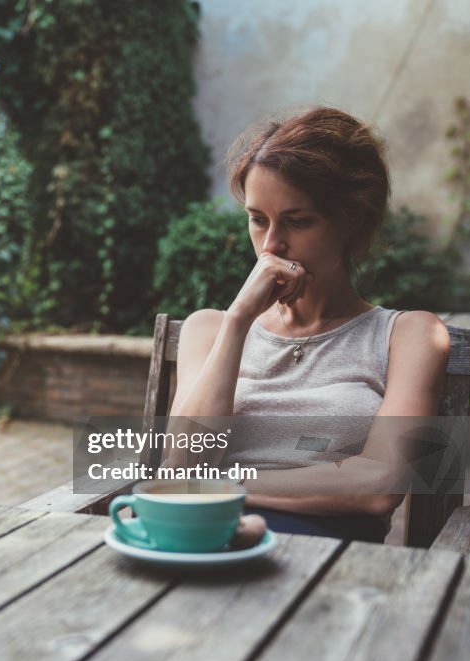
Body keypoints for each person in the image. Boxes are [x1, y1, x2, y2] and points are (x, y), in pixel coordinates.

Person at [168, 106, 450, 543]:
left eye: (298, 221)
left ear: (351, 221)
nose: (272, 245)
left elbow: (379, 487)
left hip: (325, 565)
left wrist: (223, 487)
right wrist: (239, 321)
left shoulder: (409, 336)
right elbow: (181, 468)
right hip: (205, 539)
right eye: (257, 220)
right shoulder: (210, 330)